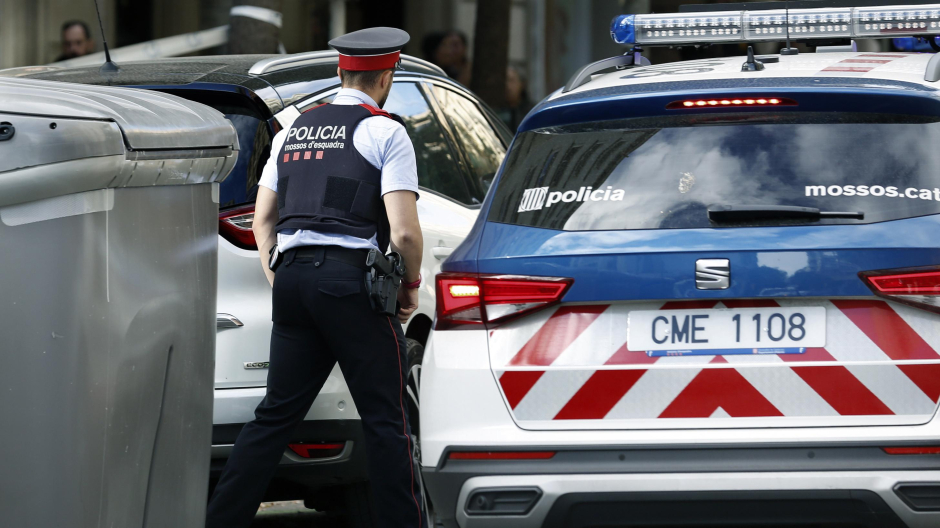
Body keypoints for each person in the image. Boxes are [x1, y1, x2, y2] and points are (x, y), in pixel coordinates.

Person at [205, 27, 427, 528]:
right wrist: (409, 288)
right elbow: (405, 233)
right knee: (386, 422)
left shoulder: (292, 132)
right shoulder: (385, 132)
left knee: (274, 417)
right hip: (351, 288)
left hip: (294, 284)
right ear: (387, 76)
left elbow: (264, 220)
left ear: (338, 72)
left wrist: (278, 274)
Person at [500, 65, 535, 132]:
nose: (508, 86)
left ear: (521, 83)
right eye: (505, 81)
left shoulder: (531, 111)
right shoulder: (497, 111)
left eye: (511, 80)